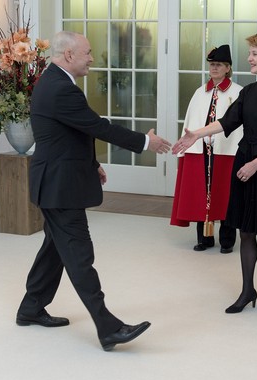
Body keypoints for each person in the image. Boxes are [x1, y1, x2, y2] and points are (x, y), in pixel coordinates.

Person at [16, 31, 171, 351]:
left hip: (56, 180)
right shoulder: (60, 88)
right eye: (87, 52)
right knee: (79, 255)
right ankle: (108, 328)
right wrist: (146, 142)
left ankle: (31, 308)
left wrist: (90, 164)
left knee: (56, 248)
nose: (92, 58)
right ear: (69, 55)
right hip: (59, 187)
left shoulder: (55, 82)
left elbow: (72, 132)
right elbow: (96, 126)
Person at [173, 32, 257, 317]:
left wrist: (255, 165)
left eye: (255, 54)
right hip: (245, 164)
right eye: (250, 53)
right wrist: (195, 135)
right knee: (247, 232)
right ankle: (247, 290)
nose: (250, 58)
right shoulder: (248, 93)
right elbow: (226, 122)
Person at [170, 45, 242, 254]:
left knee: (225, 193)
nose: (214, 68)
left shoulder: (239, 92)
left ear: (228, 68)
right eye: (212, 65)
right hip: (201, 150)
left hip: (227, 151)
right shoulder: (199, 93)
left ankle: (227, 240)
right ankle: (205, 238)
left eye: (219, 65)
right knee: (202, 192)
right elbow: (191, 121)